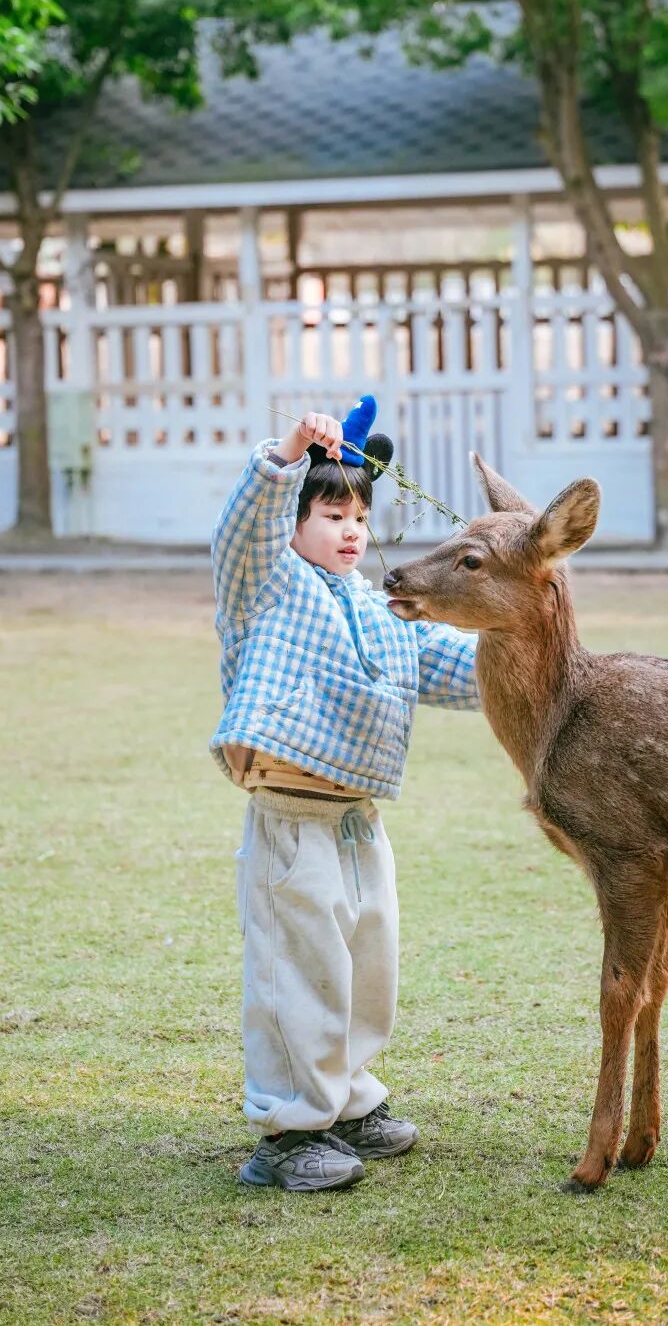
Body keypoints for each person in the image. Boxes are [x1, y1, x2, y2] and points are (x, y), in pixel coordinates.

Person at [210, 398, 479, 1191]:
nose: (352, 529)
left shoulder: (380, 607)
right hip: (290, 816)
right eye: (332, 512)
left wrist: (529, 642)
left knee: (366, 966)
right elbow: (242, 529)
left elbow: (455, 665)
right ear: (293, 524)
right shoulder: (265, 584)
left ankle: (350, 1103)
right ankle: (291, 1133)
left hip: (359, 819)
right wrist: (288, 454)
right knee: (298, 971)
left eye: (360, 512)